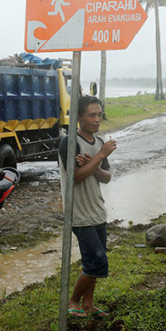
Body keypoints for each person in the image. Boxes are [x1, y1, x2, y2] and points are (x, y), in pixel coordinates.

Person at [58, 96, 116, 318]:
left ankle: (88, 304)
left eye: (99, 114)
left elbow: (106, 177)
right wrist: (99, 157)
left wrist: (95, 163)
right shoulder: (70, 143)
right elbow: (76, 177)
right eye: (92, 115)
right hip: (79, 213)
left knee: (92, 261)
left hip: (97, 210)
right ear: (79, 117)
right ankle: (73, 301)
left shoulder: (99, 143)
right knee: (97, 262)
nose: (97, 119)